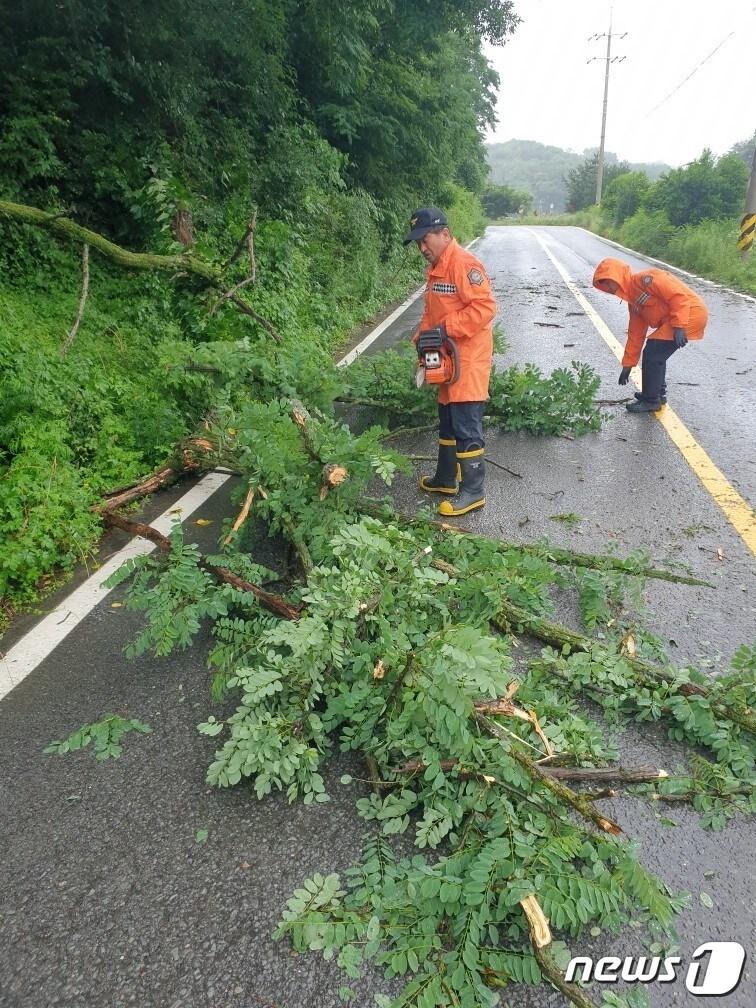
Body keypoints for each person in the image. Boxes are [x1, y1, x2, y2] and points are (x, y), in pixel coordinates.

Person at [403, 207, 497, 515]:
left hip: (467, 360)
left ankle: (473, 490)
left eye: (425, 240)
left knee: (466, 424)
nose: (422, 248)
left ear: (444, 234)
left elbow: (484, 309)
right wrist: (423, 336)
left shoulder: (464, 264)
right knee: (446, 417)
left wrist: (445, 329)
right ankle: (445, 478)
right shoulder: (437, 269)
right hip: (445, 358)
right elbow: (433, 312)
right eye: (418, 243)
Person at [592, 258, 708, 412]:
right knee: (656, 352)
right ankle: (657, 394)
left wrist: (679, 325)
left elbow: (678, 296)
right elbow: (635, 335)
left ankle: (651, 400)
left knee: (653, 352)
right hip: (678, 319)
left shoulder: (646, 280)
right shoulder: (634, 302)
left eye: (608, 281)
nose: (607, 287)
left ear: (618, 276)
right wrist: (628, 365)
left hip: (689, 314)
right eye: (604, 284)